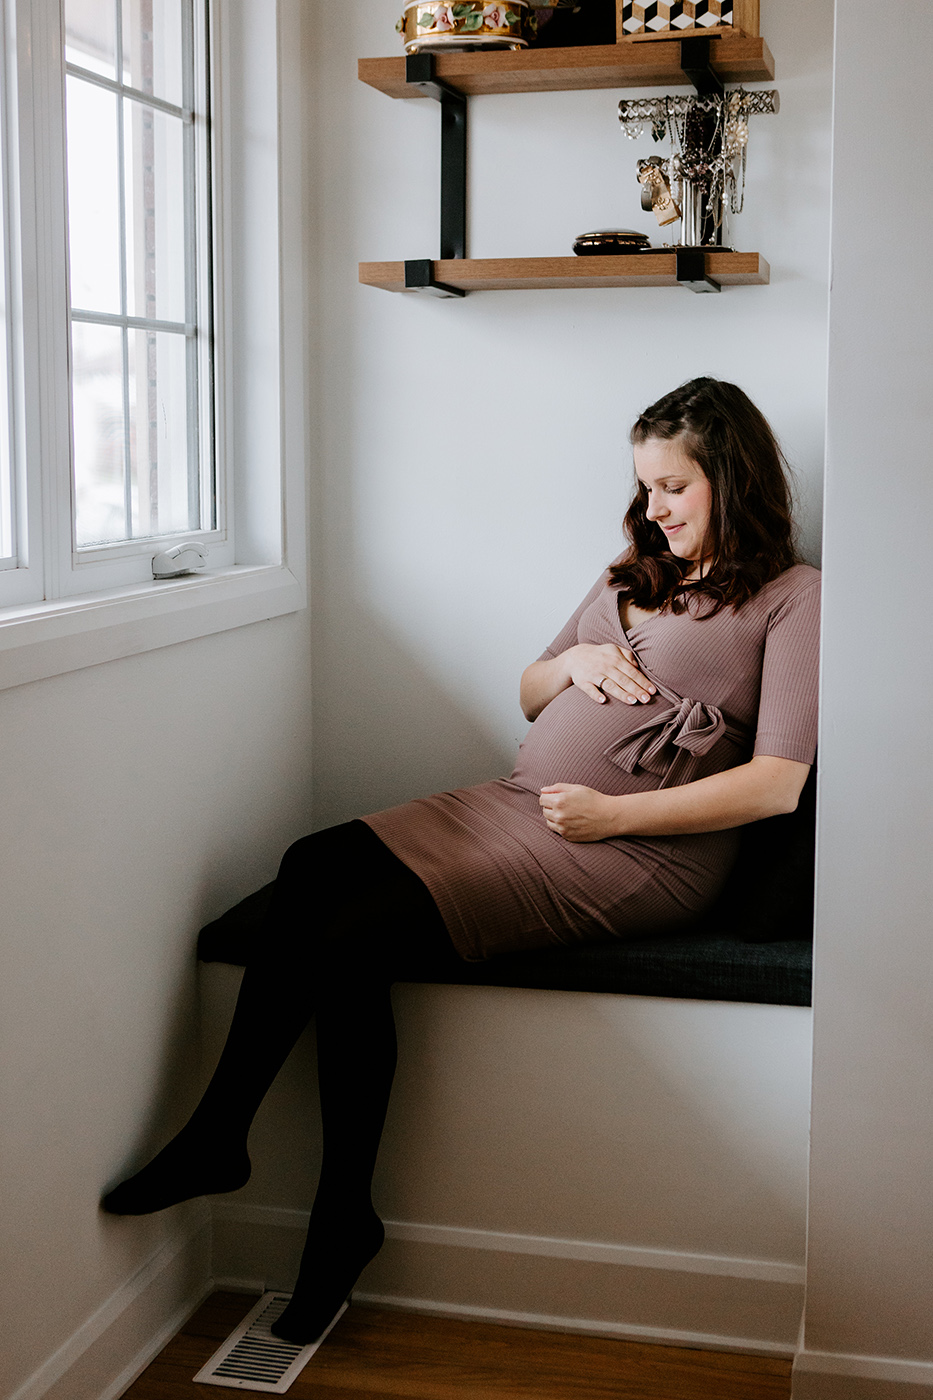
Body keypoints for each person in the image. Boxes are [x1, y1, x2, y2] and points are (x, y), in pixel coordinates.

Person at [101, 377, 820, 1345]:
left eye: (672, 487)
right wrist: (571, 667)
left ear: (732, 479)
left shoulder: (794, 598)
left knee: (342, 926)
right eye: (644, 487)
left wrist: (614, 815)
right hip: (522, 808)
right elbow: (530, 690)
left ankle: (275, 1176)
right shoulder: (632, 570)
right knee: (315, 863)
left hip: (637, 852)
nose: (653, 508)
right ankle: (274, 1169)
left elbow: (777, 781)